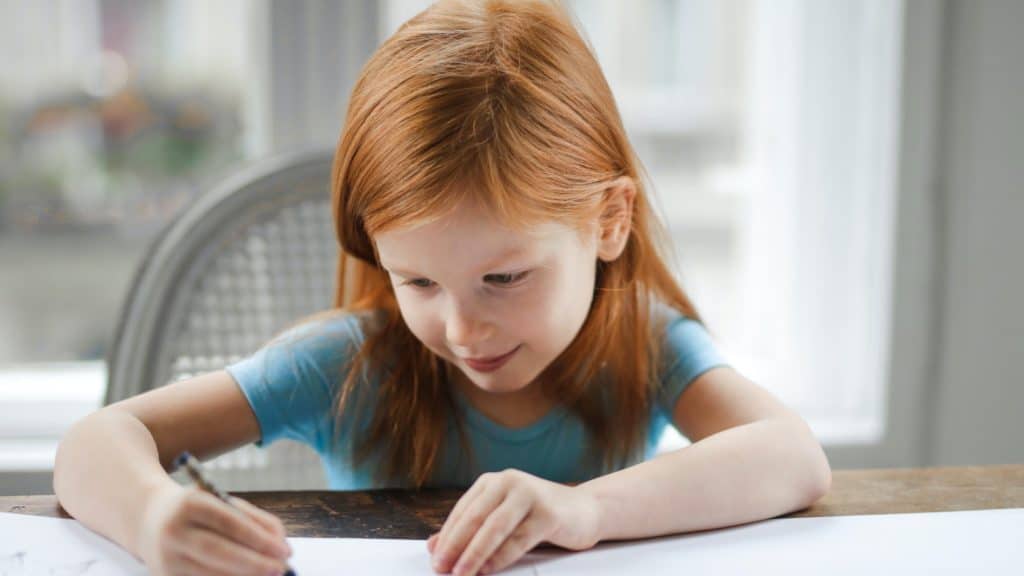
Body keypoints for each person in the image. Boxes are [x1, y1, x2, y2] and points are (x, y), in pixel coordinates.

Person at [53, 1, 831, 575]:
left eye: (503, 277)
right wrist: (151, 515)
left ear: (609, 220)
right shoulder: (345, 364)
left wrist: (587, 508)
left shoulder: (645, 341)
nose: (461, 329)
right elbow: (96, 443)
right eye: (417, 280)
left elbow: (794, 458)